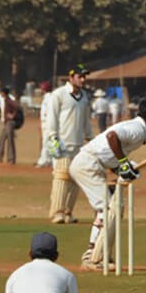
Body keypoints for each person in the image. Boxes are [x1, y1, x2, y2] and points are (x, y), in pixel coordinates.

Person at [70, 96, 146, 270]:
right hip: (88, 164)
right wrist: (124, 163)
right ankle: (93, 259)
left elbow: (109, 153)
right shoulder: (138, 129)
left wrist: (123, 168)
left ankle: (97, 254)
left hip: (91, 163)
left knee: (109, 208)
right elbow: (112, 137)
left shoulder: (133, 125)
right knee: (109, 209)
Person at [45, 64, 92, 224]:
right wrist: (53, 137)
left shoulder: (84, 96)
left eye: (84, 76)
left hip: (78, 143)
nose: (83, 79)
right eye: (80, 76)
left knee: (75, 177)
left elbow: (86, 119)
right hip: (62, 143)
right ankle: (57, 212)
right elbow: (51, 117)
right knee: (61, 177)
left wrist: (90, 137)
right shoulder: (58, 95)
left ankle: (67, 211)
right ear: (71, 78)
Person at [0, 86, 18, 165]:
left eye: (1, 92)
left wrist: (13, 115)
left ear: (4, 93)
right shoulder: (4, 100)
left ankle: (11, 159)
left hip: (10, 123)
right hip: (6, 123)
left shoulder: (9, 100)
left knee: (10, 141)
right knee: (0, 140)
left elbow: (16, 107)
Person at [35, 81, 53, 168]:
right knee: (49, 142)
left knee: (46, 141)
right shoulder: (48, 97)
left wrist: (43, 123)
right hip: (47, 122)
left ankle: (43, 160)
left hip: (47, 122)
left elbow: (47, 112)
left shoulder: (49, 98)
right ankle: (50, 160)